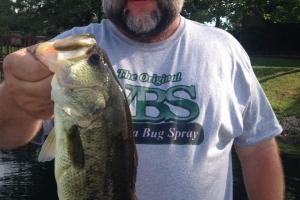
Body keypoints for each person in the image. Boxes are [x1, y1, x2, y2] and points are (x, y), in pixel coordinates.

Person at [0, 0, 284, 199]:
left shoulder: (226, 50)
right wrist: (15, 96)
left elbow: (258, 148)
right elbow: (8, 136)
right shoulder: (72, 48)